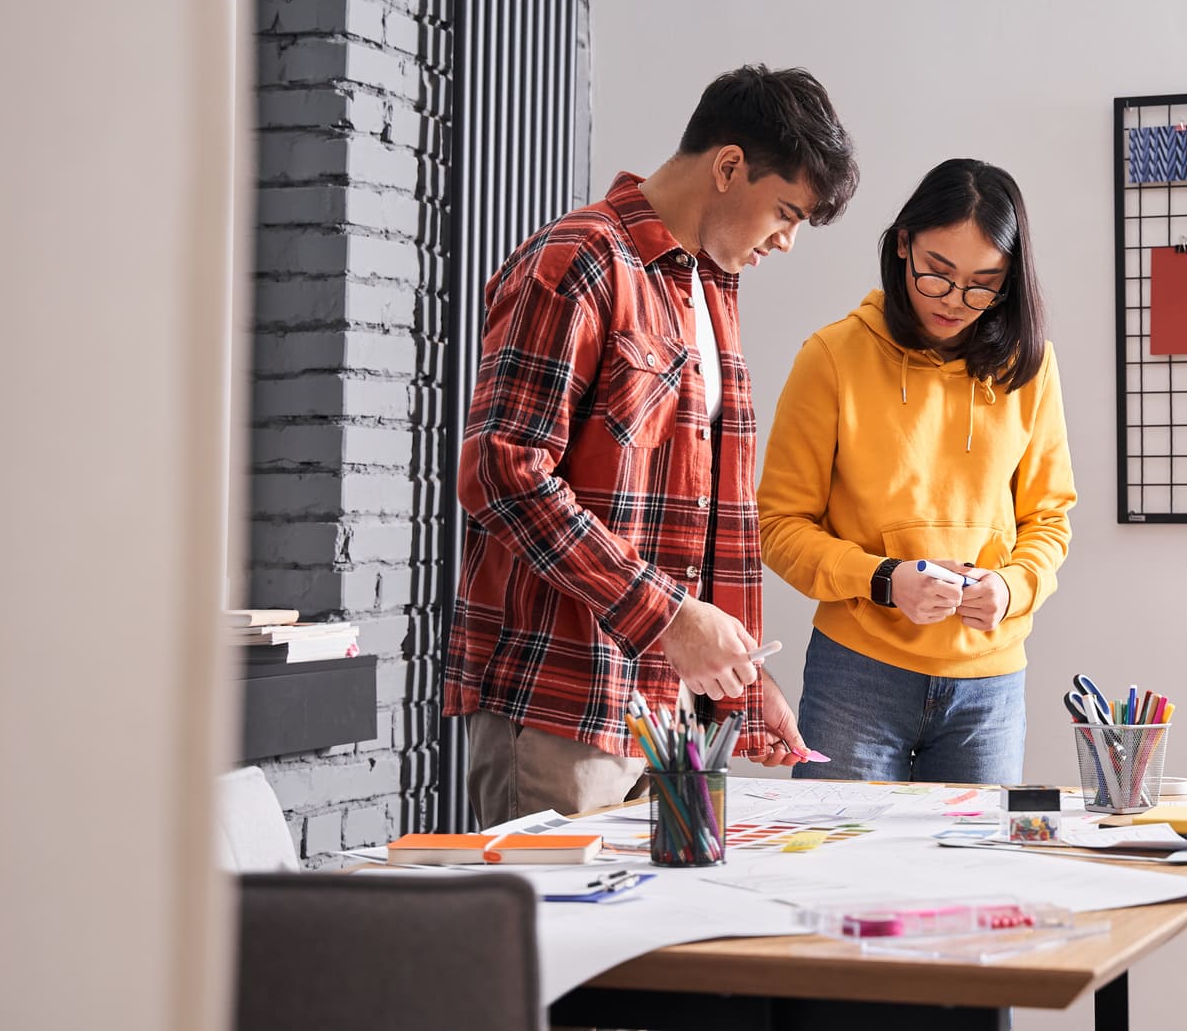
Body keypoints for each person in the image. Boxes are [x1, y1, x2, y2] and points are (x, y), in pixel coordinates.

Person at [445, 65, 859, 821]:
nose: (789, 243)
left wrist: (742, 674)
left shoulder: (709, 289)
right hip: (564, 706)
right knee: (563, 940)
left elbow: (706, 511)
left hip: (672, 722)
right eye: (787, 213)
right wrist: (667, 617)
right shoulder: (577, 258)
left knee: (664, 940)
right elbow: (503, 469)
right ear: (729, 167)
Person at [758, 158, 1075, 783]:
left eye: (984, 284)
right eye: (938, 274)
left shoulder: (1028, 368)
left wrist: (1011, 589)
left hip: (990, 684)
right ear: (903, 246)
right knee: (841, 873)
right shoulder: (832, 357)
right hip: (857, 673)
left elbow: (1049, 519)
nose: (957, 302)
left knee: (973, 877)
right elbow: (779, 525)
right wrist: (884, 579)